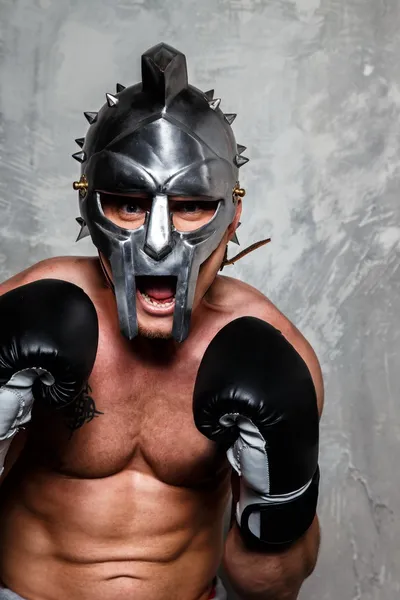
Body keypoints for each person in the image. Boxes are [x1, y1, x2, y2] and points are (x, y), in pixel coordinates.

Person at [0, 43, 324, 600]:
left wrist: (282, 508)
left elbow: (269, 588)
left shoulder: (273, 351)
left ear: (233, 213)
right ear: (89, 206)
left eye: (191, 205)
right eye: (127, 202)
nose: (157, 242)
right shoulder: (24, 307)